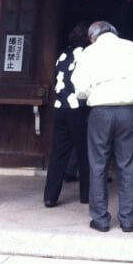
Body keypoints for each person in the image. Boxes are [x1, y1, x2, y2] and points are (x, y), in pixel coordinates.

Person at [72, 20, 133, 233]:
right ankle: (129, 220)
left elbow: (81, 88)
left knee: (97, 165)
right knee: (127, 165)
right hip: (127, 111)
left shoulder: (89, 53)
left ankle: (100, 219)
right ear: (115, 32)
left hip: (101, 112)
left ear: (93, 37)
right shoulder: (130, 47)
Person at [43, 20, 91, 208]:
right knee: (85, 152)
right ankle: (86, 195)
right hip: (78, 108)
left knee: (58, 153)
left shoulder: (63, 53)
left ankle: (50, 196)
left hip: (60, 106)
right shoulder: (88, 54)